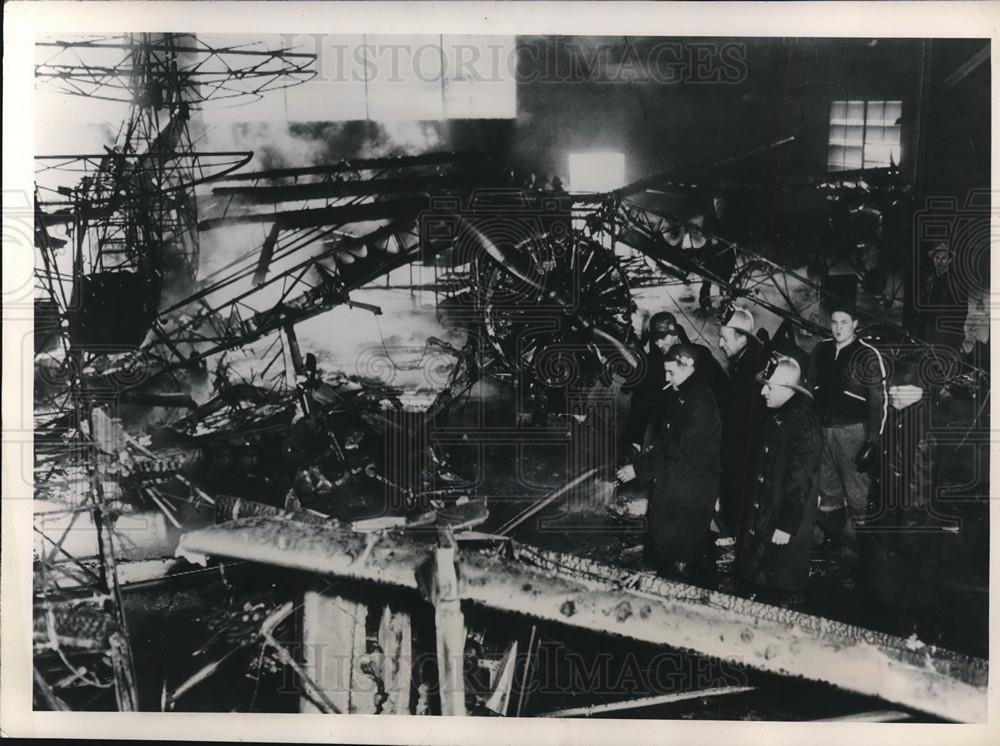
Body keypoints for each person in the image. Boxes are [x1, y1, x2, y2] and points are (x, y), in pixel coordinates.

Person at [615, 344, 721, 582]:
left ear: (689, 367)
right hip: (677, 483)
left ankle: (682, 590)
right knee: (667, 544)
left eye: (671, 372)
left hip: (690, 490)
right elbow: (668, 439)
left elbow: (677, 449)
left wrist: (637, 469)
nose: (666, 378)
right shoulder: (683, 393)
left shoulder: (700, 403)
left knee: (681, 551)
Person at [735, 355, 823, 607]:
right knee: (762, 580)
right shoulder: (776, 415)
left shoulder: (805, 425)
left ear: (787, 389)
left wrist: (786, 525)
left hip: (786, 522)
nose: (763, 391)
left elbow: (801, 481)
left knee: (782, 586)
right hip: (767, 514)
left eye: (769, 387)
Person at [808, 303, 887, 549]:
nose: (838, 327)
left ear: (854, 324)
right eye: (834, 322)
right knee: (826, 489)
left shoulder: (867, 354)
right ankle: (829, 542)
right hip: (823, 429)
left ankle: (855, 553)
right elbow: (810, 389)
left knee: (857, 494)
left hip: (853, 433)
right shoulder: (821, 350)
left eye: (844, 322)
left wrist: (873, 440)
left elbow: (878, 401)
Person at [623, 311, 726, 452]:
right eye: (655, 339)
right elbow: (641, 404)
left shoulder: (702, 356)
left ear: (675, 334)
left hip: (701, 433)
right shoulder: (653, 364)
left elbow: (723, 390)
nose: (658, 343)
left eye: (662, 338)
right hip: (666, 435)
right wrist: (635, 441)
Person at [716, 305, 769, 540]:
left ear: (741, 338)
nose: (719, 344)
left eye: (724, 338)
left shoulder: (753, 369)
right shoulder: (747, 358)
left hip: (746, 451)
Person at [920, 242, 967, 351]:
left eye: (943, 258)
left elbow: (962, 310)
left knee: (943, 359)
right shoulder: (929, 281)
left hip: (946, 331)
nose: (939, 261)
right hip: (929, 327)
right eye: (937, 258)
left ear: (949, 261)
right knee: (929, 357)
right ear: (933, 260)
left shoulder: (956, 283)